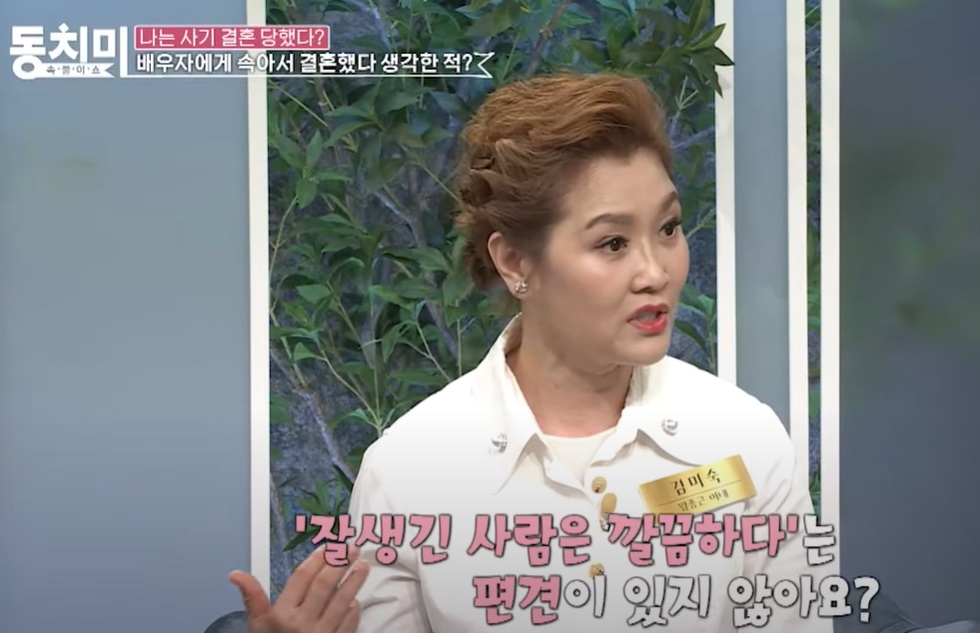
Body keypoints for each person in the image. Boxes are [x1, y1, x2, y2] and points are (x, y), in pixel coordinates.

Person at [230, 71, 832, 633]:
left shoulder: (746, 437)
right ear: (516, 261)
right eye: (613, 242)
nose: (656, 272)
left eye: (668, 228)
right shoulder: (409, 470)